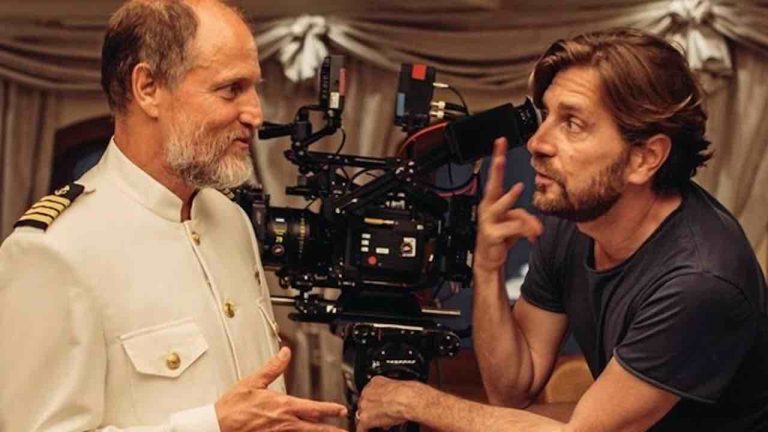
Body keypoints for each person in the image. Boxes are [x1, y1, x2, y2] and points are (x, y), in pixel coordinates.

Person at [356, 28, 768, 431]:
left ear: (645, 158)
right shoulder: (577, 223)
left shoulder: (699, 281)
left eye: (572, 123)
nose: (537, 142)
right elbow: (513, 389)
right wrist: (487, 267)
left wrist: (415, 401)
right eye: (547, 115)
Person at [0, 0, 348, 431]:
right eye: (231, 89)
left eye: (253, 88)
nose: (255, 114)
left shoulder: (231, 219)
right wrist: (212, 426)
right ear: (148, 88)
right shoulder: (52, 251)